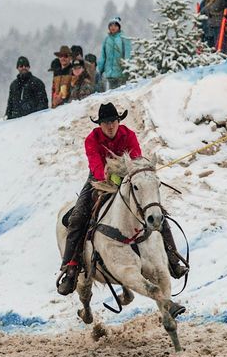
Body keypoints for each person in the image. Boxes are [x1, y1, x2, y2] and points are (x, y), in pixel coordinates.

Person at [56, 102, 188, 295]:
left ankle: (173, 259)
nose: (110, 126)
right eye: (106, 122)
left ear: (118, 121)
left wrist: (127, 178)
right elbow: (96, 166)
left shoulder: (129, 135)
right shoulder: (91, 140)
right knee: (77, 217)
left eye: (113, 121)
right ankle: (71, 266)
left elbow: (136, 161)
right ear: (99, 124)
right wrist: (111, 177)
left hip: (129, 181)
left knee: (158, 213)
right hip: (98, 180)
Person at [97, 18, 132, 90]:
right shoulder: (107, 39)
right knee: (111, 95)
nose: (113, 27)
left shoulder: (124, 38)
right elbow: (103, 56)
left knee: (120, 94)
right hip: (109, 74)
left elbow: (128, 55)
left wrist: (127, 69)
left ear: (119, 27)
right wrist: (100, 69)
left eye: (115, 26)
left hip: (121, 74)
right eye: (111, 25)